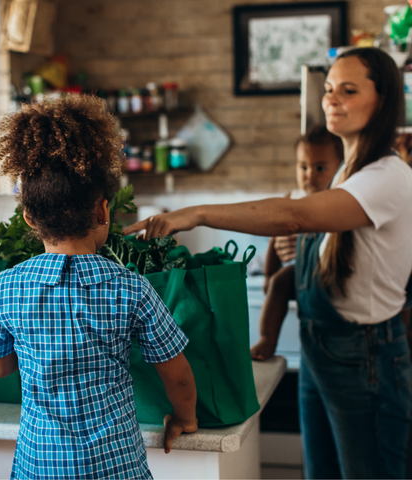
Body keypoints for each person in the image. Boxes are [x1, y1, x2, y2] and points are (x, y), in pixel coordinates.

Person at [124, 47, 412, 479]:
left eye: (348, 90)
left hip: (365, 353)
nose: (332, 99)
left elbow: (294, 215)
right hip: (323, 346)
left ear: (385, 100)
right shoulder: (347, 170)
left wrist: (197, 213)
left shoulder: (387, 176)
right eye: (330, 89)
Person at [0, 95, 198, 480]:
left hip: (40, 466)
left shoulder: (8, 285)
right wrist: (184, 418)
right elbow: (176, 373)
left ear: (28, 217)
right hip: (116, 466)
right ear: (103, 209)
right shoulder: (131, 287)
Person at [251, 125, 343, 361]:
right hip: (297, 271)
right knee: (279, 282)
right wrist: (269, 274)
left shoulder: (338, 201)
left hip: (323, 275)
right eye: (303, 167)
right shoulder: (292, 199)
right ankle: (267, 338)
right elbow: (274, 238)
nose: (309, 174)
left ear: (340, 168)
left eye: (320, 167)